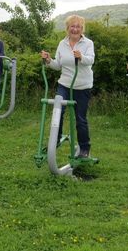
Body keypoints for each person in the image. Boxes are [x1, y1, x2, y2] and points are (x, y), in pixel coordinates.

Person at [40, 15, 94, 158]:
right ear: (67, 28)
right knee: (58, 112)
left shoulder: (88, 43)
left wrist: (81, 57)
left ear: (82, 29)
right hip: (64, 84)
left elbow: (91, 60)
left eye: (78, 26)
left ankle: (84, 148)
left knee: (80, 118)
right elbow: (58, 65)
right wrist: (48, 60)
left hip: (82, 86)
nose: (75, 29)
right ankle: (55, 141)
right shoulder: (62, 43)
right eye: (72, 26)